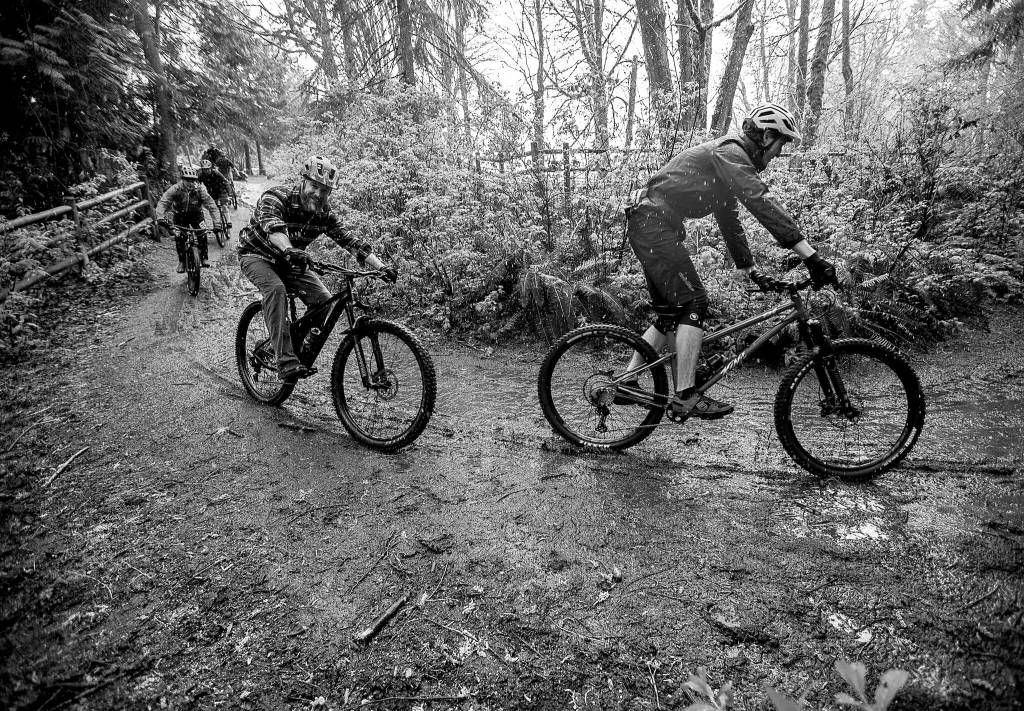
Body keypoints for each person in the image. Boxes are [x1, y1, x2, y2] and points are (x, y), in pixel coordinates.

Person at [622, 103, 838, 419]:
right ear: (766, 136)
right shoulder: (731, 151)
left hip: (651, 225)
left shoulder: (728, 162)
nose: (780, 153)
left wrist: (749, 269)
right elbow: (760, 201)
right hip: (653, 225)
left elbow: (730, 220)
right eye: (782, 144)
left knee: (669, 315)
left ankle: (626, 382)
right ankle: (686, 395)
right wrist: (811, 257)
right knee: (694, 302)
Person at [237, 155, 398, 382]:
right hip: (257, 255)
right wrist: (289, 249)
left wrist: (381, 267)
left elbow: (349, 241)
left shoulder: (323, 214)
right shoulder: (275, 197)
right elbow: (274, 228)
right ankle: (285, 362)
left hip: (291, 260)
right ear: (303, 181)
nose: (319, 194)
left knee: (325, 303)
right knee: (276, 289)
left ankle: (291, 342)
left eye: (325, 190)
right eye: (315, 186)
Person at [156, 164, 219, 273]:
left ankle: (203, 257)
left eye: (193, 180)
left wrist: (217, 224)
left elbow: (212, 206)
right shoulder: (175, 189)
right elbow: (163, 202)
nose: (191, 183)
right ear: (183, 180)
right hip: (180, 217)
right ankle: (182, 262)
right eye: (188, 180)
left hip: (197, 215)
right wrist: (160, 217)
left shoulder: (200, 190)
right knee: (179, 237)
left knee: (202, 234)